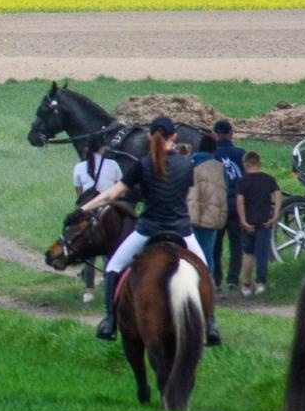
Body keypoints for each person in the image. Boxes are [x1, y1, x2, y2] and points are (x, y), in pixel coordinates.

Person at [78, 117, 218, 346]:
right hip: (181, 230)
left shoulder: (142, 164)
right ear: (174, 137)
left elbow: (111, 195)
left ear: (149, 137)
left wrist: (81, 211)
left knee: (113, 267)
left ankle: (110, 322)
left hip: (148, 230)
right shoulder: (186, 164)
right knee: (205, 270)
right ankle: (211, 324)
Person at [71, 134, 124, 303]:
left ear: (87, 148)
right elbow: (120, 189)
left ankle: (89, 291)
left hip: (88, 213)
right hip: (109, 212)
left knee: (89, 251)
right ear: (102, 147)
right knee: (111, 251)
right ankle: (111, 287)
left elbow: (79, 195)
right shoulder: (113, 165)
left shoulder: (79, 168)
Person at [235, 152, 282, 297]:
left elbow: (240, 200)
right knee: (262, 253)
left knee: (248, 253)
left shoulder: (243, 181)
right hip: (265, 221)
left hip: (249, 221)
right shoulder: (268, 179)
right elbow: (278, 195)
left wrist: (243, 220)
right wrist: (275, 215)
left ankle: (246, 284)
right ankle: (261, 283)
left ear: (245, 164)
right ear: (259, 163)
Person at [185, 135, 228, 283]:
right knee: (208, 251)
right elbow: (225, 191)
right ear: (214, 150)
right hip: (212, 215)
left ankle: (192, 281)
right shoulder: (219, 167)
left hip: (190, 215)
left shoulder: (189, 163)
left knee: (189, 252)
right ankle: (208, 284)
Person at [212, 120, 246, 291]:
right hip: (236, 207)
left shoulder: (212, 154)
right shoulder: (241, 154)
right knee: (236, 244)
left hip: (217, 207)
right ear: (231, 133)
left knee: (216, 245)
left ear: (214, 134)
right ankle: (233, 279)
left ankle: (216, 280)